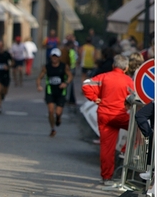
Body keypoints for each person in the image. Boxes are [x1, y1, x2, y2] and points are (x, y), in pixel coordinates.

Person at [82, 55, 134, 185]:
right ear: (126, 68)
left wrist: (94, 98)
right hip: (120, 115)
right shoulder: (128, 81)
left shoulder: (104, 77)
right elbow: (136, 96)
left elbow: (86, 84)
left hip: (104, 114)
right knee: (139, 128)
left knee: (106, 147)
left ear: (113, 66)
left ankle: (106, 177)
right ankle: (125, 150)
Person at [36, 48, 73, 137]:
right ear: (50, 57)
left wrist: (66, 83)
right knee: (51, 110)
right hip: (50, 91)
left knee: (58, 112)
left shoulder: (64, 66)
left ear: (59, 57)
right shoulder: (47, 67)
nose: (54, 58)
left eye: (56, 56)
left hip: (61, 92)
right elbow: (39, 77)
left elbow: (70, 76)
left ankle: (58, 118)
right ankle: (53, 129)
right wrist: (39, 86)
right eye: (53, 56)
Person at [0, 40, 12, 114]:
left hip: (6, 74)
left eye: (1, 45)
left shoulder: (7, 54)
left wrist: (8, 66)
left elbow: (12, 62)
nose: (0, 47)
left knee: (4, 90)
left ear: (3, 46)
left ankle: (3, 95)